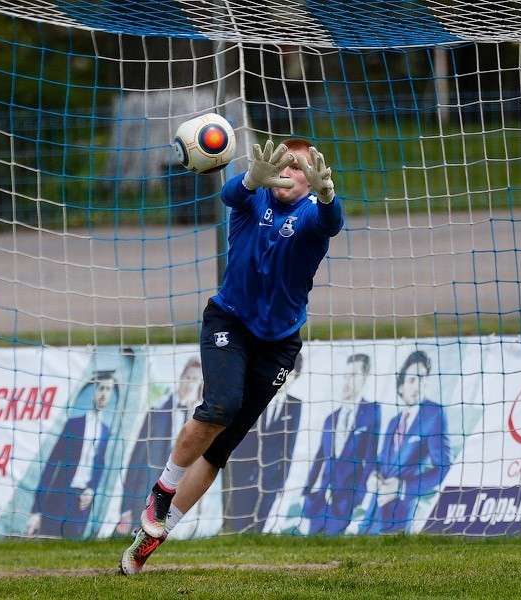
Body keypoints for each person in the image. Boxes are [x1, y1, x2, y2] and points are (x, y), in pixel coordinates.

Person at [120, 138, 343, 575]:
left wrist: (328, 194)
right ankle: (161, 493)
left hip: (278, 343)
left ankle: (152, 537)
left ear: (311, 177)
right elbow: (228, 195)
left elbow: (332, 224)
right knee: (220, 405)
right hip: (229, 321)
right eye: (281, 164)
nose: (286, 172)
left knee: (221, 447)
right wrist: (248, 178)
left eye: (298, 168)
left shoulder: (315, 213)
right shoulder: (254, 195)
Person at [359, 350, 451, 534]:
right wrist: (373, 475)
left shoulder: (434, 414)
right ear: (401, 386)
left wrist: (402, 488)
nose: (417, 385)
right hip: (373, 512)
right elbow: (382, 460)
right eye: (411, 380)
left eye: (422, 378)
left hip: (399, 514)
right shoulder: (394, 421)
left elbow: (444, 468)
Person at [118, 356, 204, 535]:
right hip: (146, 494)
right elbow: (136, 460)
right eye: (188, 378)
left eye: (195, 380)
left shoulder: (199, 419)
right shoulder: (157, 411)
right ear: (181, 377)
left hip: (179, 495)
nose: (190, 384)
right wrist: (125, 508)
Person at [26, 371, 117, 539]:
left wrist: (92, 488)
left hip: (82, 503)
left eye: (108, 389)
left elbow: (100, 464)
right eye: (101, 388)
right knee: (49, 543)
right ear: (94, 391)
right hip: (61, 496)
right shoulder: (74, 425)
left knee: (73, 547)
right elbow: (51, 464)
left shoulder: (105, 430)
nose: (104, 394)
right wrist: (36, 509)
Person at [302, 353, 380, 535]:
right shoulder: (331, 419)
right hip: (320, 500)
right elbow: (319, 458)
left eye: (353, 375)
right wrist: (307, 492)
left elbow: (371, 459)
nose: (346, 381)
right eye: (345, 375)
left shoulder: (372, 412)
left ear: (365, 378)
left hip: (348, 499)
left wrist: (360, 497)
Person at [224, 353, 303, 533]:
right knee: (238, 517)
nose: (285, 378)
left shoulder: (295, 405)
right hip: (244, 469)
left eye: (291, 374)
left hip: (270, 475)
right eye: (283, 372)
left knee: (260, 520)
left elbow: (289, 445)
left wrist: (281, 479)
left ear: (296, 376)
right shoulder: (257, 396)